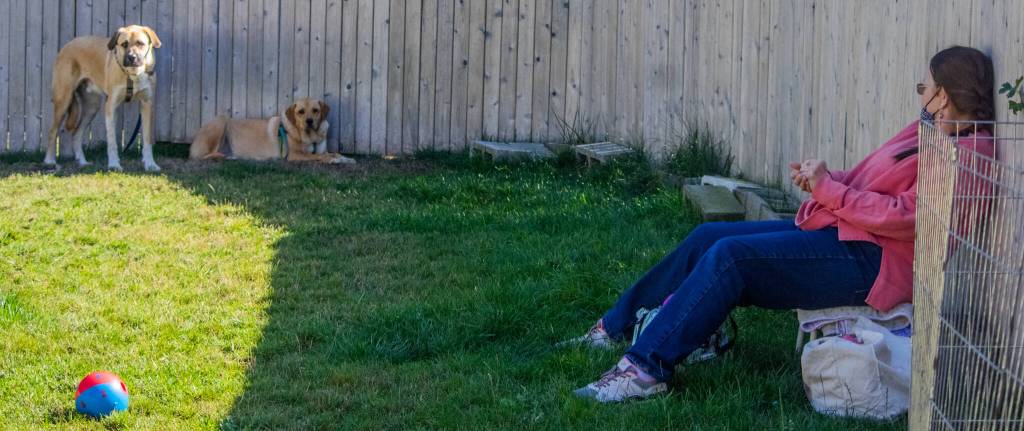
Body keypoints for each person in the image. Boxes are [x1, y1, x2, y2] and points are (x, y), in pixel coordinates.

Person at [567, 46, 996, 403]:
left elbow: (909, 219)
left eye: (926, 88)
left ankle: (644, 370)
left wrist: (832, 191)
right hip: (847, 233)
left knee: (732, 259)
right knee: (709, 236)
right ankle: (615, 326)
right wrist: (825, 178)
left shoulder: (971, 155)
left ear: (944, 96)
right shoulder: (926, 132)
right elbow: (872, 180)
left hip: (874, 264)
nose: (920, 97)